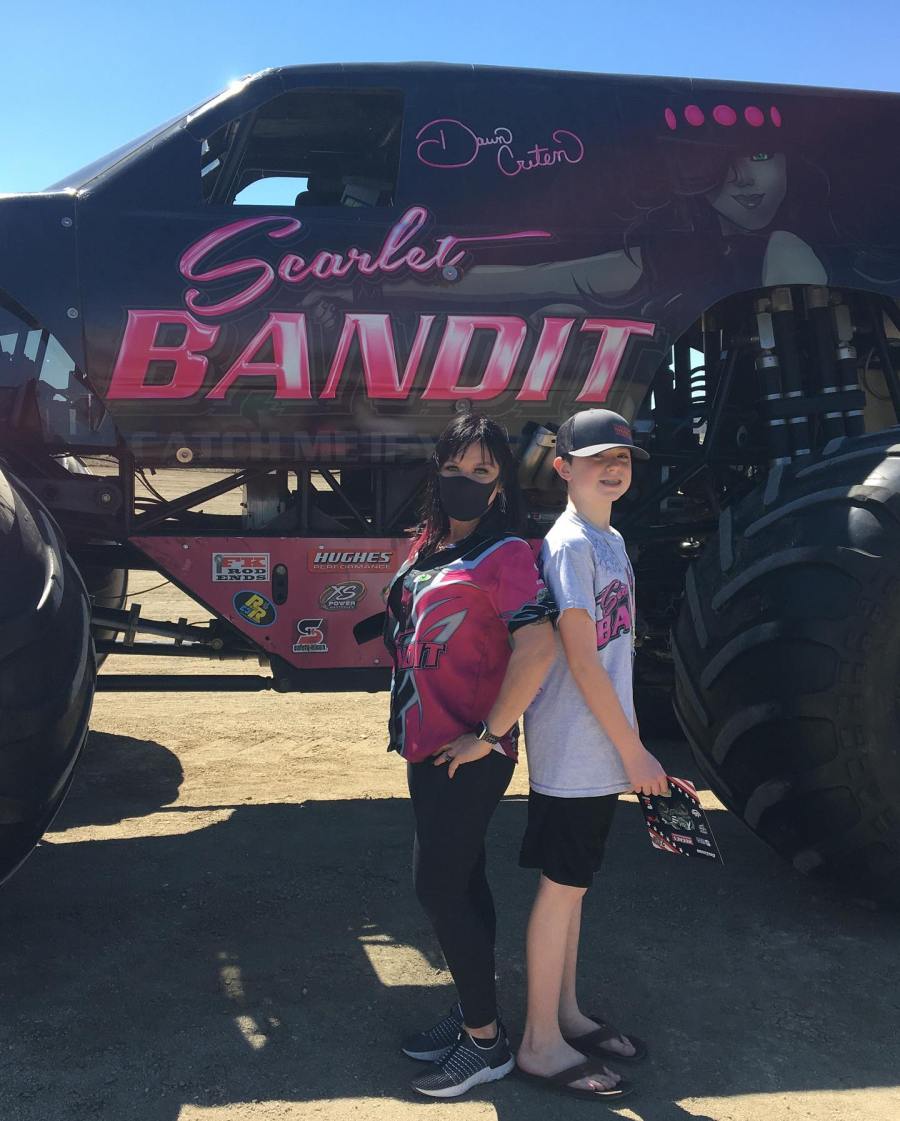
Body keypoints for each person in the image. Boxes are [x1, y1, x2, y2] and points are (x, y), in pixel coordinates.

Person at [383, 412, 557, 1099]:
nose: (466, 481)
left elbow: (538, 648)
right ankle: (473, 1011)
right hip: (427, 745)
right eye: (454, 468)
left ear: (500, 484)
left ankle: (486, 1045)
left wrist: (488, 734)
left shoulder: (504, 554)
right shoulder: (429, 545)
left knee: (437, 887)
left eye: (482, 471)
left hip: (469, 753)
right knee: (464, 882)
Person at [515, 408, 669, 1101]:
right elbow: (580, 659)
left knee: (574, 885)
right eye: (598, 457)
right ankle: (539, 1042)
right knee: (561, 890)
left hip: (598, 747)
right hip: (575, 748)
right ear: (562, 468)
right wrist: (635, 751)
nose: (613, 467)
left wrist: (624, 748)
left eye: (624, 458)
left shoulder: (609, 538)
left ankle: (567, 1015)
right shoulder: (570, 543)